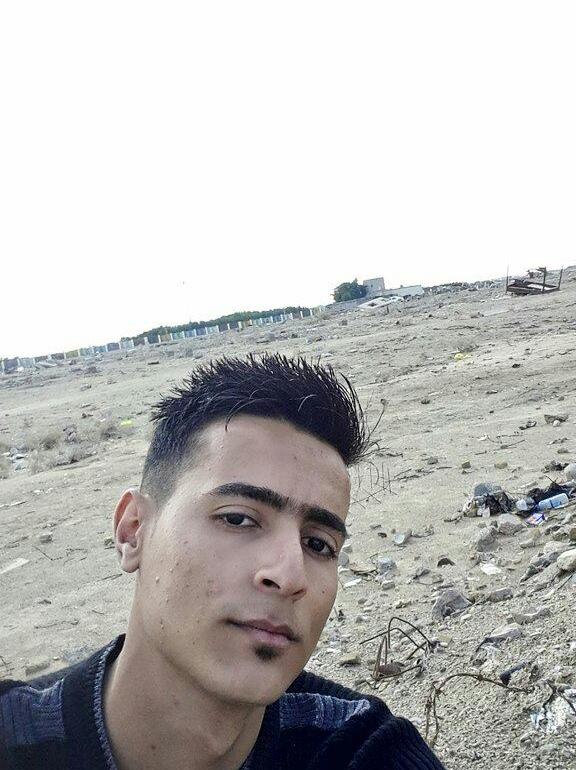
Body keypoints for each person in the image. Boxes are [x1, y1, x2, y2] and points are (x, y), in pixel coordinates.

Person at [0, 354, 445, 769]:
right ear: (133, 531)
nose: (290, 575)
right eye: (238, 519)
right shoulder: (15, 735)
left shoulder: (360, 748)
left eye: (318, 544)